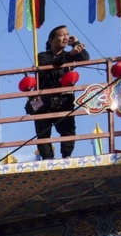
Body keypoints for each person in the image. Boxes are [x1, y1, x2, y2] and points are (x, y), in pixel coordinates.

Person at [26, 25, 89, 160]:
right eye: (61, 35)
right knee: (43, 131)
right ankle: (47, 157)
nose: (65, 37)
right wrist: (69, 55)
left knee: (68, 129)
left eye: (67, 34)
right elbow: (51, 62)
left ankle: (67, 155)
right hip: (44, 100)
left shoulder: (70, 55)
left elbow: (85, 58)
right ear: (51, 40)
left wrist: (76, 43)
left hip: (64, 99)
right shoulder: (42, 56)